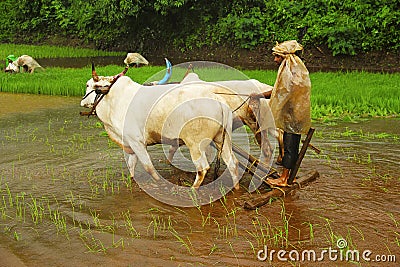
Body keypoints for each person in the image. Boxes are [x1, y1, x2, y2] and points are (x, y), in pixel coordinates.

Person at [251, 40, 311, 186]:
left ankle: (284, 179)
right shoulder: (296, 69)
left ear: (285, 56)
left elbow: (280, 92)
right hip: (294, 113)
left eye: (278, 56)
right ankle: (288, 175)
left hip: (293, 115)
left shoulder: (290, 71)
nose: (275, 60)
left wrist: (259, 95)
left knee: (290, 146)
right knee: (292, 145)